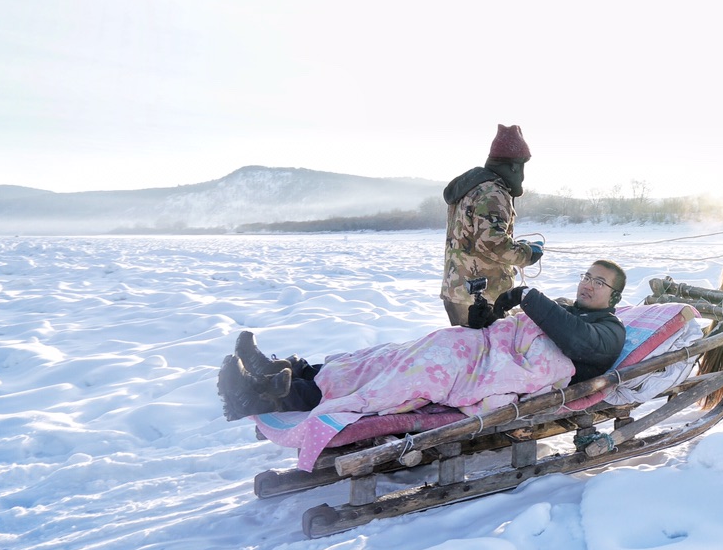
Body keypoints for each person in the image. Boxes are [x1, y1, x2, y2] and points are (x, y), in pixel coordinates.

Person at [216, 259, 631, 418]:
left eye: (600, 282)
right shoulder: (564, 307)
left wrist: (527, 296)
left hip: (498, 369)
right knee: (387, 356)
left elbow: (576, 342)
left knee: (408, 374)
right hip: (477, 350)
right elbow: (499, 332)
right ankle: (288, 372)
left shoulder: (609, 330)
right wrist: (492, 312)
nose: (589, 285)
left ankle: (268, 398)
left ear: (614, 296)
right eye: (587, 277)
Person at [441, 124, 536, 326]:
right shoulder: (493, 192)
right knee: (485, 354)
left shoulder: (472, 187)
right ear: (514, 166)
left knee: (468, 353)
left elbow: (476, 240)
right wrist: (528, 254)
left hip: (458, 292)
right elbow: (493, 244)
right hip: (482, 300)